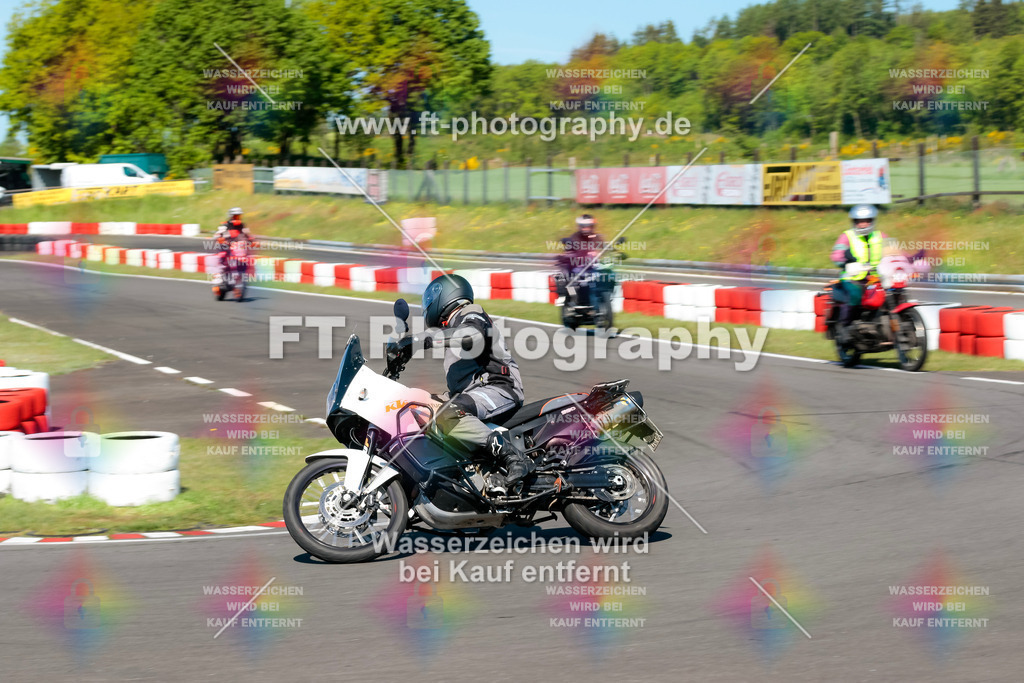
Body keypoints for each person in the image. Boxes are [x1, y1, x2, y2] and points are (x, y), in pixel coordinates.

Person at [388, 274, 532, 493]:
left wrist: (418, 340)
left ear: (443, 295)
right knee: (419, 407)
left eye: (428, 301)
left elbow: (471, 335)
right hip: (475, 394)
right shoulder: (453, 328)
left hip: (499, 387)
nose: (426, 308)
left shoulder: (470, 313)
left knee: (448, 414)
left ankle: (513, 457)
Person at [830, 204, 888, 343]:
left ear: (872, 221)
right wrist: (845, 259)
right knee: (855, 295)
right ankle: (845, 328)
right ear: (854, 222)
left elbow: (893, 250)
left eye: (866, 220)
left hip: (875, 278)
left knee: (895, 291)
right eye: (859, 221)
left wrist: (910, 258)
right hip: (853, 278)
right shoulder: (847, 236)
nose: (863, 224)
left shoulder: (880, 236)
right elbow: (836, 254)